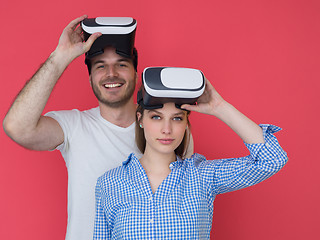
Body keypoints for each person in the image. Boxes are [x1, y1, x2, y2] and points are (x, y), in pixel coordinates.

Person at [2, 16, 193, 240]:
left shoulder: (168, 130)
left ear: (135, 73)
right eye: (101, 66)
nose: (111, 74)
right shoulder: (74, 126)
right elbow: (17, 127)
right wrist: (60, 57)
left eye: (121, 65)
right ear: (90, 76)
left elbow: (186, 205)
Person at [93, 72, 288, 239]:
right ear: (140, 119)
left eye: (177, 118)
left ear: (186, 123)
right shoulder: (109, 183)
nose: (167, 129)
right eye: (156, 117)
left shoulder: (202, 176)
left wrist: (219, 107)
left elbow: (271, 160)